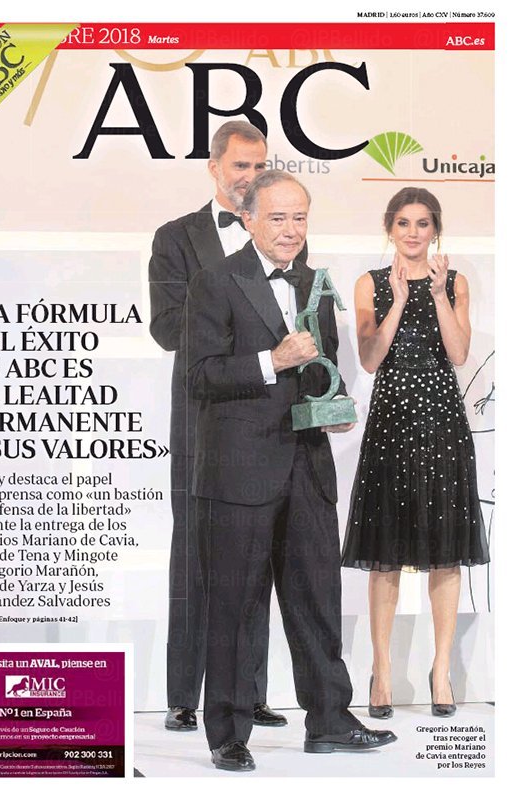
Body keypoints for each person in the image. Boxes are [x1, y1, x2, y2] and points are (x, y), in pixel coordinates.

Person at [185, 170, 396, 771]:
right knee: (234, 608)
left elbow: (323, 370)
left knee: (318, 601)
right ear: (248, 219)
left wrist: (335, 407)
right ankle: (228, 734)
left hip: (307, 468)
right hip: (238, 476)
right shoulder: (214, 281)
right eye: (277, 217)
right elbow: (198, 377)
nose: (291, 229)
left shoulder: (316, 284)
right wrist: (271, 360)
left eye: (299, 217)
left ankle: (329, 720)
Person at [149, 121, 289, 731]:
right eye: (240, 166)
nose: (250, 178)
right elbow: (165, 328)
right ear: (214, 167)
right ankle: (184, 695)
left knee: (255, 555)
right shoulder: (176, 237)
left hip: (261, 418)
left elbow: (285, 322)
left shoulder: (280, 234)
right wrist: (230, 328)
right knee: (194, 553)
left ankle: (248, 693)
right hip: (201, 415)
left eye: (260, 167)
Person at [341, 187, 490, 719]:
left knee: (446, 553)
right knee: (384, 554)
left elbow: (459, 352)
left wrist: (440, 294)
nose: (412, 232)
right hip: (391, 425)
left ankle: (441, 670)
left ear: (435, 230)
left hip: (444, 426)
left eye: (422, 223)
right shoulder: (370, 283)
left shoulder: (455, 281)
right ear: (390, 228)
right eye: (403, 223)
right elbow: (369, 359)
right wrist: (400, 299)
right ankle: (381, 672)